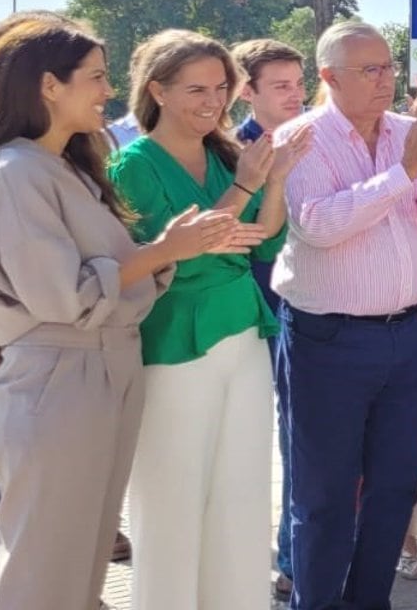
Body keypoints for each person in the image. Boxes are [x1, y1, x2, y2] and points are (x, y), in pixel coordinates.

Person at [0, 16, 248, 610]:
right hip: (59, 381)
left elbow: (118, 282)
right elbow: (62, 296)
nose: (108, 91)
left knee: (80, 564)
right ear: (48, 86)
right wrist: (166, 250)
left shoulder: (64, 166)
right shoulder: (16, 173)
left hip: (99, 374)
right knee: (47, 569)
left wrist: (162, 253)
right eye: (95, 77)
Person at [273, 21, 417, 610]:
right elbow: (319, 225)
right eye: (369, 70)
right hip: (327, 340)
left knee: (394, 489)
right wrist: (404, 172)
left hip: (408, 335)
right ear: (329, 77)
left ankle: (369, 601)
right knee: (324, 495)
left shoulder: (415, 133)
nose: (385, 80)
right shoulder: (301, 138)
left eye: (388, 67)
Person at [110, 31, 305, 609]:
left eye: (221, 88)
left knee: (240, 495)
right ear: (157, 91)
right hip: (174, 345)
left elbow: (263, 236)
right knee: (172, 501)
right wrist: (245, 187)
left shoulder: (224, 152)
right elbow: (183, 247)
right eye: (196, 88)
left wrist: (273, 181)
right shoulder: (132, 165)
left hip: (242, 333)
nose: (213, 101)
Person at [227, 36, 310, 596]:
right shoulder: (235, 154)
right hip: (255, 314)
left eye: (300, 84)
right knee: (268, 441)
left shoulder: (316, 138)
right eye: (279, 86)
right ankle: (282, 560)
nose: (295, 95)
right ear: (246, 92)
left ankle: (295, 553)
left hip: (311, 311)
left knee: (299, 441)